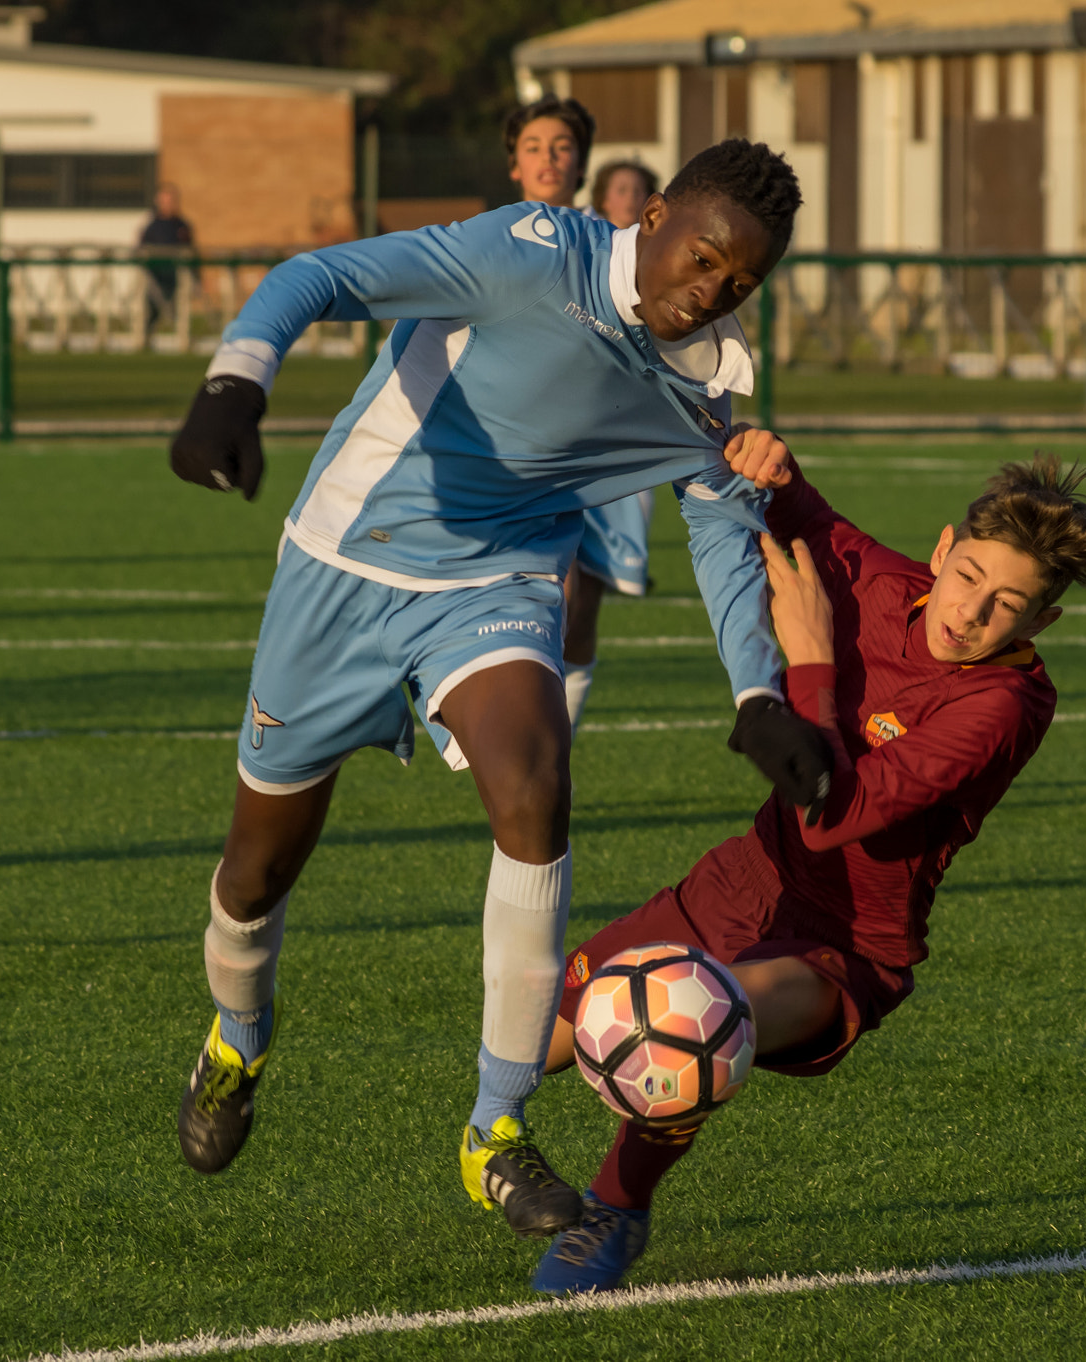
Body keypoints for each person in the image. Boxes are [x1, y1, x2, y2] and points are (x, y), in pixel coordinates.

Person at [164, 140, 833, 1245]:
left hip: (494, 585)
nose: (708, 290)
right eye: (702, 256)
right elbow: (313, 276)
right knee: (256, 868)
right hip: (341, 568)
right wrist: (234, 389)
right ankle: (238, 1035)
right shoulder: (528, 254)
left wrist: (757, 697)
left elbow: (719, 531)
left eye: (738, 281)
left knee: (533, 789)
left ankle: (495, 1130)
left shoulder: (712, 378)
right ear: (653, 215)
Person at [528, 449, 1086, 1294]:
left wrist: (809, 658)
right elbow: (803, 513)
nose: (970, 613)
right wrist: (771, 459)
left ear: (1040, 626)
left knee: (700, 1020)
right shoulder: (885, 583)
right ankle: (490, 1142)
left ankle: (617, 1207)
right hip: (743, 881)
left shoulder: (1002, 707)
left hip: (846, 942)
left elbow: (832, 819)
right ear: (942, 548)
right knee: (533, 1035)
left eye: (1009, 606)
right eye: (967, 577)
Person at [502, 98, 667, 732]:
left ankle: (553, 755)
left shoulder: (617, 249)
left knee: (581, 606)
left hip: (604, 444)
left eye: (562, 147)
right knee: (552, 595)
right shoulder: (494, 236)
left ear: (580, 164)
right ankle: (520, 746)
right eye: (534, 146)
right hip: (521, 445)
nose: (549, 158)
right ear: (513, 163)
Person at [140, 182, 195, 339]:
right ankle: (145, 339)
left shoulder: (182, 226)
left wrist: (197, 277)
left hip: (176, 277)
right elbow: (142, 249)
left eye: (170, 200)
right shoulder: (151, 226)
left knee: (179, 311)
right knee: (151, 310)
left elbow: (190, 251)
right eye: (164, 201)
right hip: (155, 276)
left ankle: (182, 339)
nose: (167, 205)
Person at [591, 161, 658, 233]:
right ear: (603, 199)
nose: (631, 196)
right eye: (622, 190)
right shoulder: (589, 238)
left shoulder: (661, 239)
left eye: (637, 190)